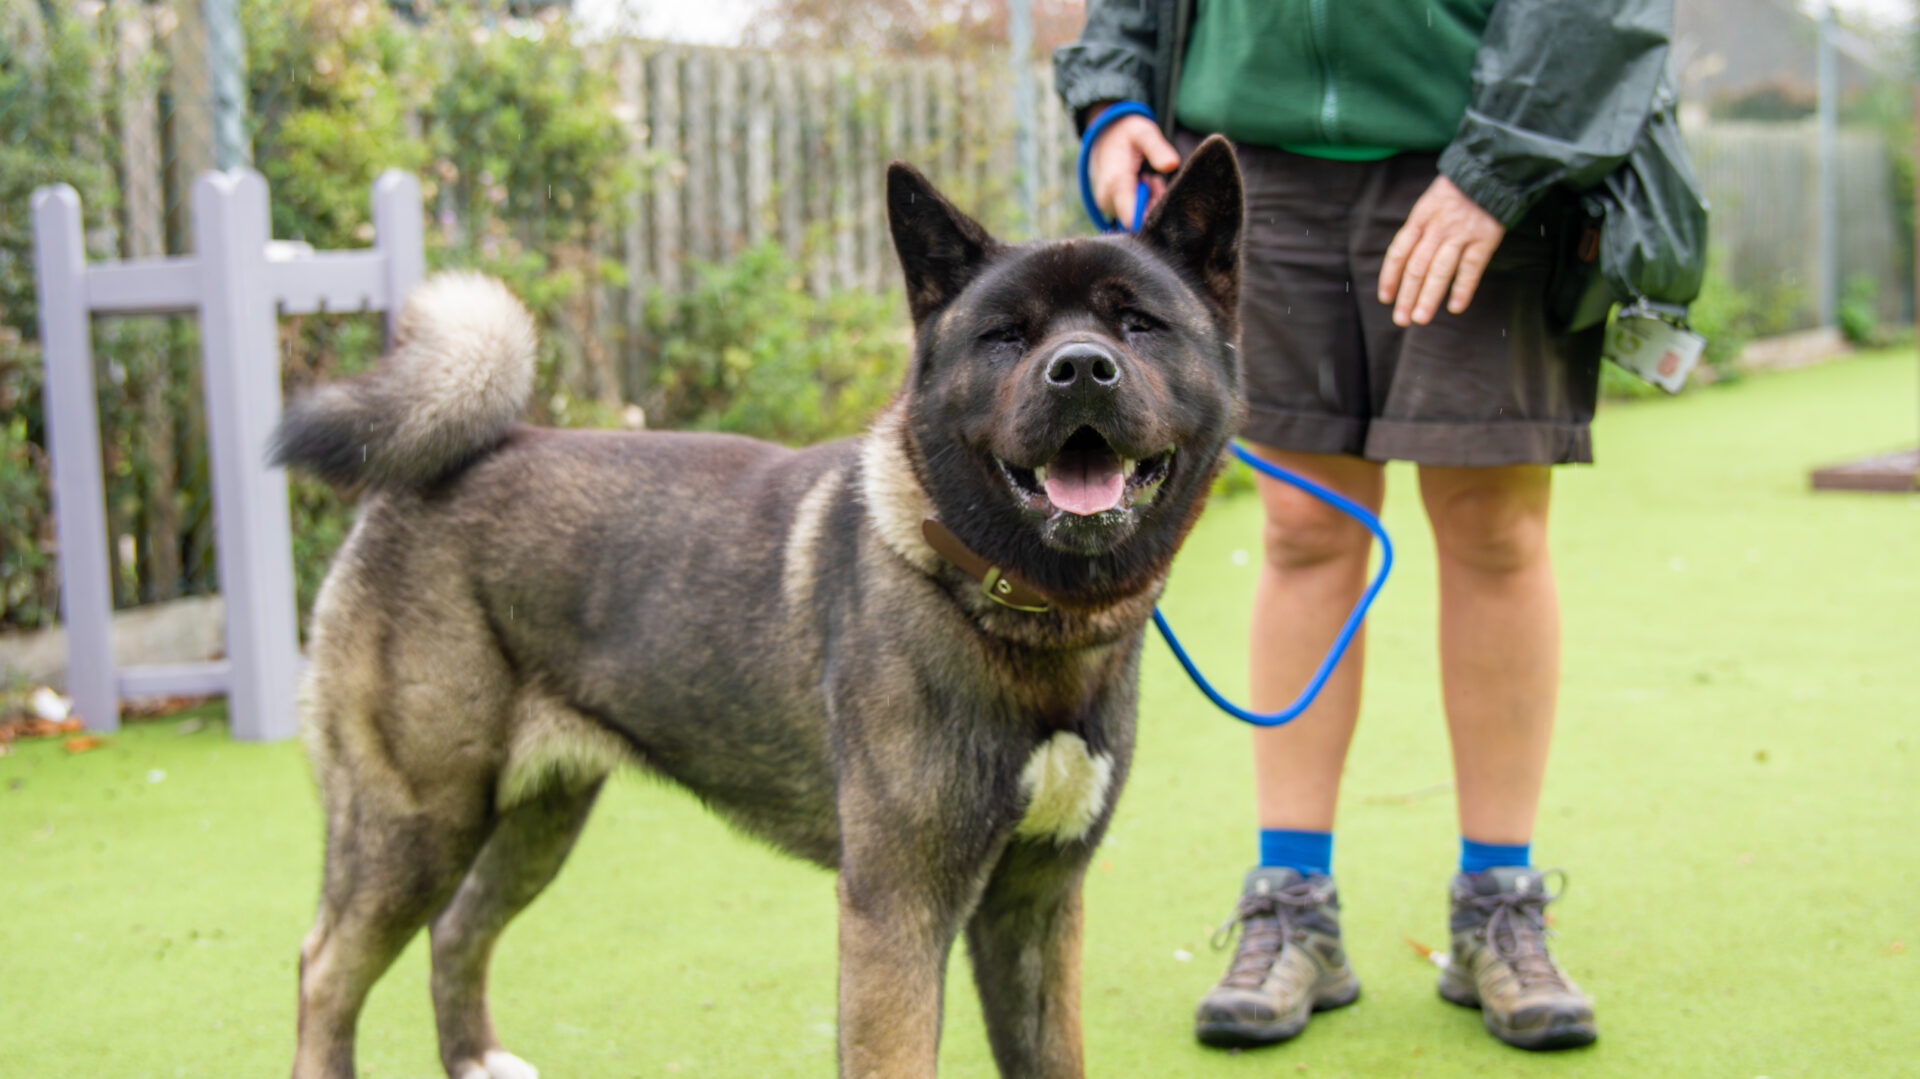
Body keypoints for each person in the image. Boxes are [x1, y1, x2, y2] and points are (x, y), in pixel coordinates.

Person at [1055, 0, 1677, 1053]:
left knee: (1495, 529)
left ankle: (1499, 901)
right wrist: (1110, 99)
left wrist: (1505, 161)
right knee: (1303, 529)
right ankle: (1292, 902)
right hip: (1252, 166)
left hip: (1488, 154)